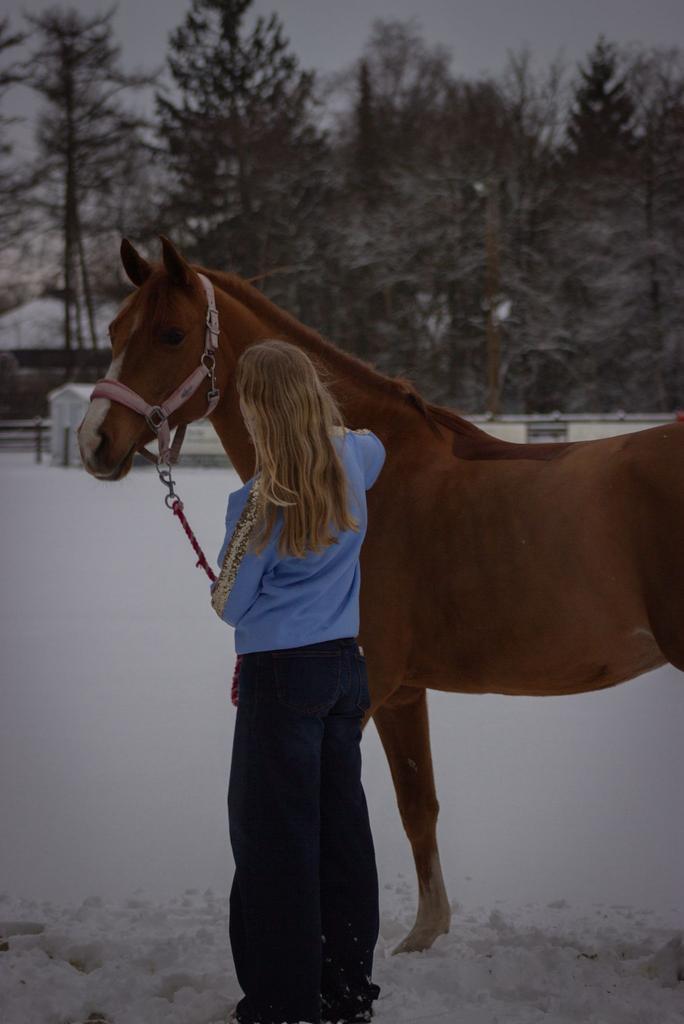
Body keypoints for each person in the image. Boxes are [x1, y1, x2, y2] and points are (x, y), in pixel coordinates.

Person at [211, 339, 386, 1024]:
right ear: (311, 396)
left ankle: (284, 1002)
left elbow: (229, 603)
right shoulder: (355, 459)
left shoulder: (258, 502)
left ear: (257, 412)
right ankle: (346, 990)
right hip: (345, 670)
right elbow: (376, 442)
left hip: (280, 682)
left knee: (273, 841)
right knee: (342, 833)